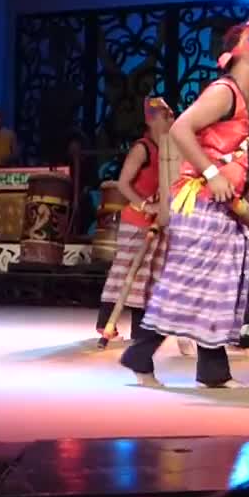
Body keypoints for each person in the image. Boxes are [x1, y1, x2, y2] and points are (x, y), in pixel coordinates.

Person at [120, 16, 249, 388]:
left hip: (226, 204)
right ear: (248, 58)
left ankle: (212, 370)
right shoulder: (223, 92)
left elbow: (244, 165)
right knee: (189, 282)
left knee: (216, 287)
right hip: (199, 200)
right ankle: (140, 353)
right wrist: (210, 174)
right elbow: (179, 129)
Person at [96, 97, 175, 341]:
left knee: (147, 278)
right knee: (125, 273)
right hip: (135, 221)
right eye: (167, 115)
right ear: (152, 120)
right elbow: (123, 183)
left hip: (157, 222)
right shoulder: (143, 148)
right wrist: (145, 205)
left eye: (172, 115)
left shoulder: (169, 149)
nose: (171, 119)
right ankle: (104, 323)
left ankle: (139, 331)